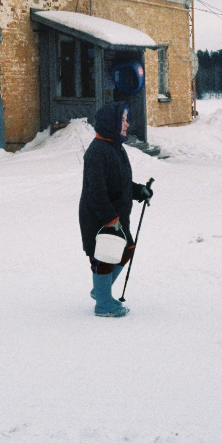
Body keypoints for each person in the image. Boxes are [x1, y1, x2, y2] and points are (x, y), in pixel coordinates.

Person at [78, 101, 154, 317]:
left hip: (116, 216)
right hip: (99, 217)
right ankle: (103, 304)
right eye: (123, 119)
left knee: (126, 248)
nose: (127, 124)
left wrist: (139, 191)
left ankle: (100, 290)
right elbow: (96, 192)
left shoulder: (115, 148)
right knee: (104, 257)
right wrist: (110, 218)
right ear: (111, 122)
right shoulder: (97, 153)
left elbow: (120, 183)